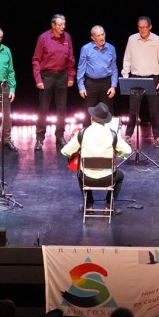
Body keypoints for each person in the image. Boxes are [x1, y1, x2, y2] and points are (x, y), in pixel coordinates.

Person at [61, 103, 131, 213]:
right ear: (105, 121)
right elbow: (127, 151)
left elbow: (65, 151)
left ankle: (89, 206)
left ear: (91, 118)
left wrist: (77, 151)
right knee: (120, 176)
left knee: (80, 173)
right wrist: (118, 153)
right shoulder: (112, 134)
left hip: (87, 179)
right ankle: (109, 206)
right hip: (108, 179)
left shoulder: (82, 133)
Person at [122, 16, 159, 147]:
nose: (142, 30)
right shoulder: (132, 39)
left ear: (150, 27)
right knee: (133, 110)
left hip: (153, 79)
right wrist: (125, 77)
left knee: (154, 110)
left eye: (145, 27)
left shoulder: (157, 40)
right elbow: (127, 58)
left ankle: (157, 137)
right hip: (135, 78)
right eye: (140, 27)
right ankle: (128, 135)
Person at [33, 14, 75, 151]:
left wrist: (71, 76)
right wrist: (38, 79)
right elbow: (36, 59)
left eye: (64, 24)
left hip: (62, 76)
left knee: (62, 109)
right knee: (43, 109)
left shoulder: (67, 37)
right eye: (60, 24)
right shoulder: (43, 37)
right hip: (47, 76)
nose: (63, 27)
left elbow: (70, 58)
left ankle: (60, 136)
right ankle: (39, 138)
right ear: (53, 25)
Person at [78, 25, 119, 113]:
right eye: (98, 35)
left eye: (102, 34)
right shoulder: (86, 49)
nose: (101, 37)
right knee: (88, 111)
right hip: (91, 83)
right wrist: (81, 86)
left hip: (106, 83)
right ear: (93, 38)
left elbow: (114, 69)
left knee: (108, 111)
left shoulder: (111, 48)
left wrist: (113, 86)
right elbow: (81, 68)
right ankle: (88, 123)